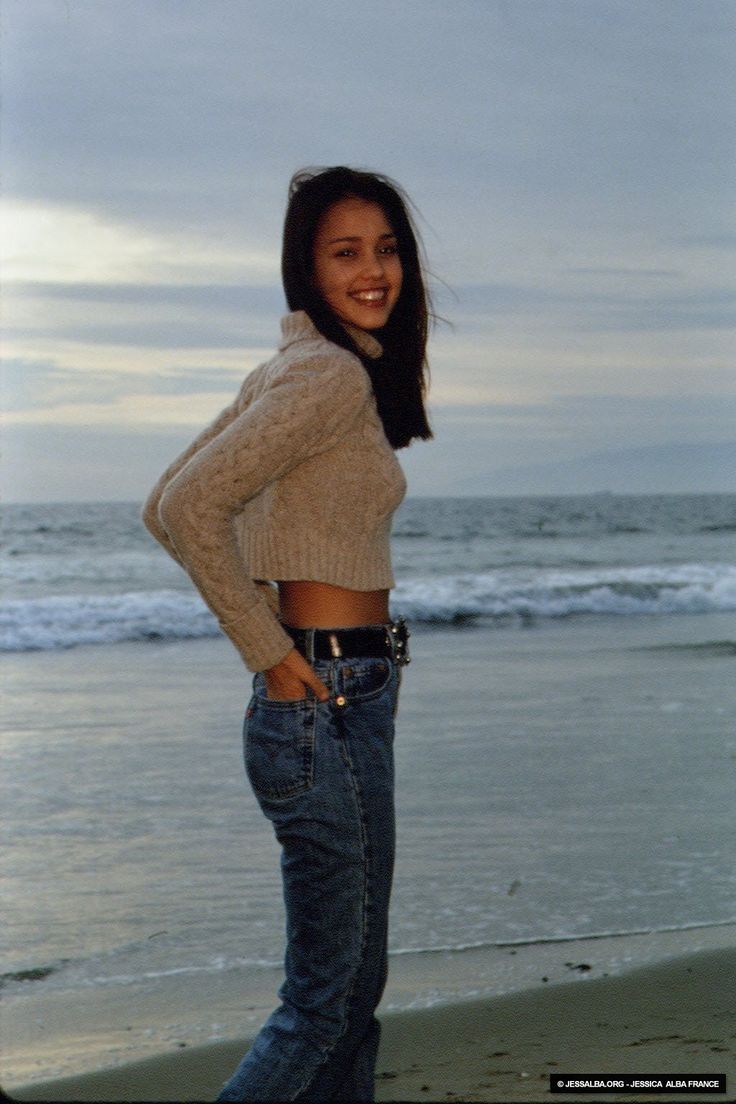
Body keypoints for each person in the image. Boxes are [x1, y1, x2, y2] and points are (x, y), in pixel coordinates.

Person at [142, 165, 432, 1102]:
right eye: (345, 251)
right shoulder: (327, 376)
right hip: (323, 699)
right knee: (326, 1004)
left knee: (350, 998)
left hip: (340, 698)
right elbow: (186, 508)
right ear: (306, 267)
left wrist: (275, 642)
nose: (374, 269)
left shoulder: (297, 367)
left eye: (386, 248)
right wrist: (268, 651)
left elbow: (164, 505)